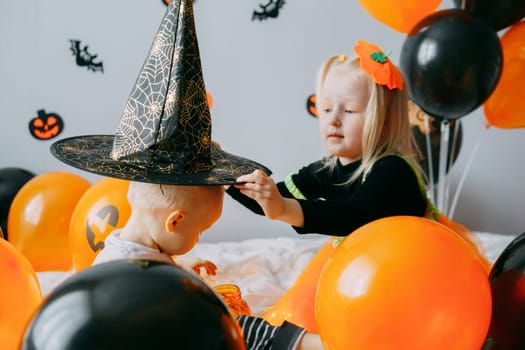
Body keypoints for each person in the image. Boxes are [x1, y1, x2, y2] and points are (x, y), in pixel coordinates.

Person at [226, 40, 430, 332]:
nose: (333, 120)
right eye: (325, 109)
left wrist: (285, 209)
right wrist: (221, 174)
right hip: (366, 269)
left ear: (384, 121)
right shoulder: (329, 167)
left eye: (349, 111)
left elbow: (355, 215)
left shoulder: (392, 170)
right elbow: (274, 197)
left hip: (407, 271)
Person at [91, 181, 324, 350]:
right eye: (199, 231)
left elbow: (154, 264)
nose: (198, 239)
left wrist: (181, 266)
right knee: (240, 328)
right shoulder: (132, 274)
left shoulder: (130, 245)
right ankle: (309, 345)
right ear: (175, 221)